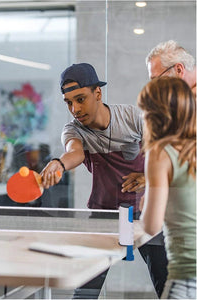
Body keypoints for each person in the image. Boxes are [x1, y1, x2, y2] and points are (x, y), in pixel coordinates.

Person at [40, 63, 166, 298]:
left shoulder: (132, 117)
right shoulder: (73, 130)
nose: (75, 109)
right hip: (105, 216)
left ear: (98, 93)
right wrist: (58, 163)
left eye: (80, 99)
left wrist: (148, 177)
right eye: (68, 103)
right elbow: (74, 152)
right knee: (85, 291)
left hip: (146, 212)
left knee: (168, 286)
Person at [138, 77, 196, 299]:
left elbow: (151, 226)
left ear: (154, 114)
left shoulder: (160, 152)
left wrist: (146, 205)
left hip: (186, 275)